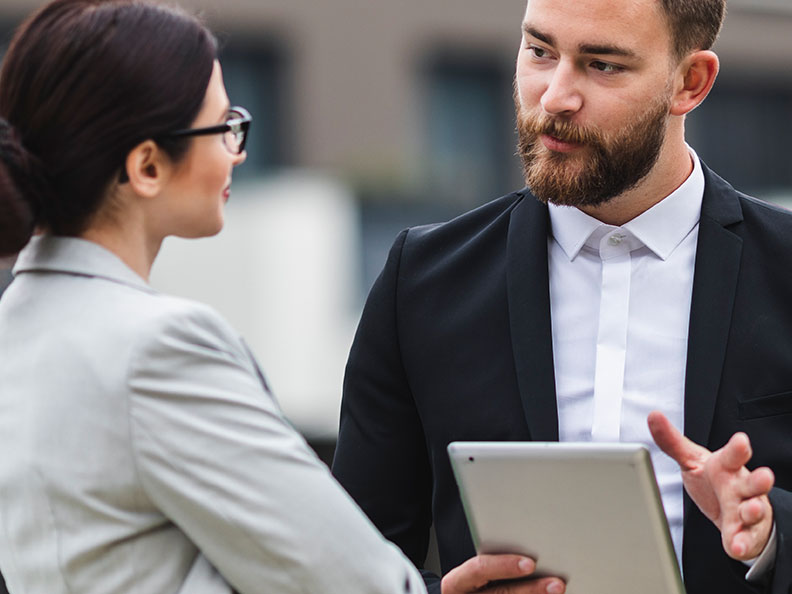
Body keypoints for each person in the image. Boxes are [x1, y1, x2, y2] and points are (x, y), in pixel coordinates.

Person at [332, 0, 792, 593]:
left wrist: (771, 533)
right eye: (540, 52)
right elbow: (349, 559)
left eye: (602, 65)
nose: (554, 97)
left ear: (690, 83)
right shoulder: (420, 282)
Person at [0, 1, 428, 593]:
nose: (238, 149)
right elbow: (362, 583)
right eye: (223, 125)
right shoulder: (157, 349)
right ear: (147, 165)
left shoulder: (15, 329)